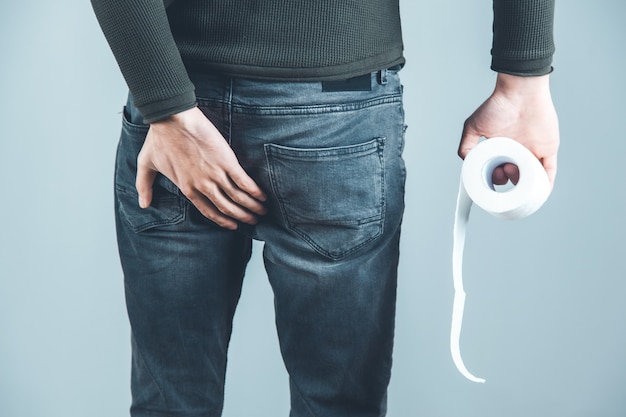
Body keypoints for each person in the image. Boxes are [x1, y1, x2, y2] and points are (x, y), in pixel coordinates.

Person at [91, 1, 559, 416]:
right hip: (333, 112)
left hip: (175, 106)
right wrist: (523, 81)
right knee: (338, 405)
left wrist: (166, 103)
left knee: (170, 402)